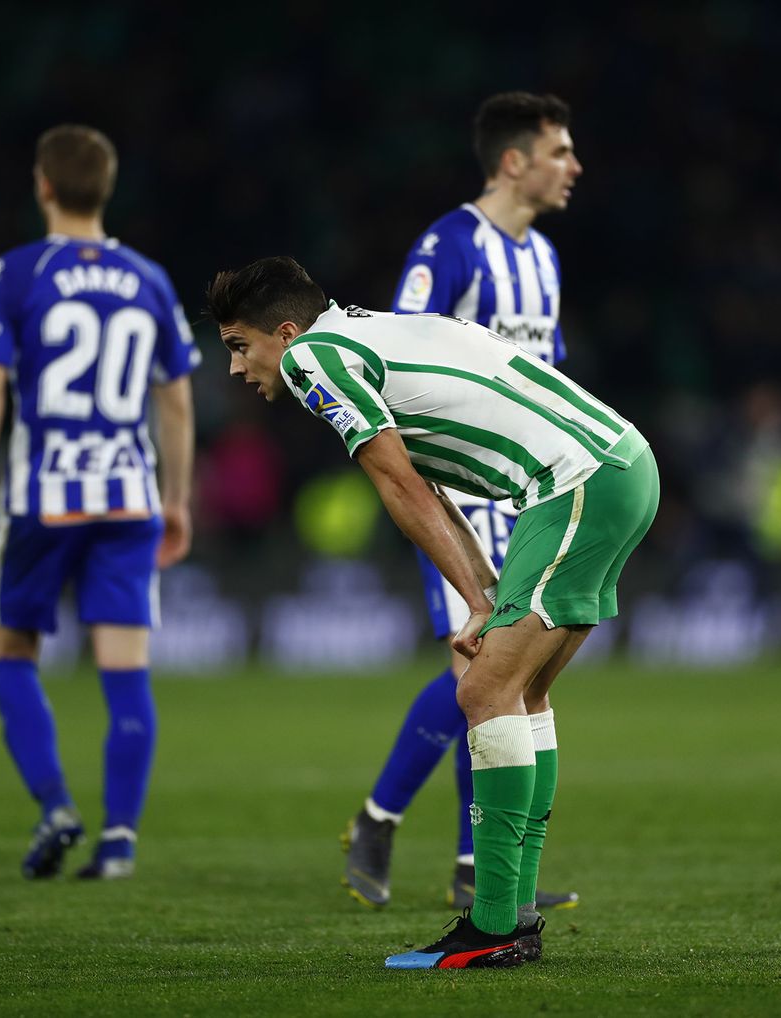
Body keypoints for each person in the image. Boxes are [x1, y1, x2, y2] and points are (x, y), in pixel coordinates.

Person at [206, 256, 658, 969]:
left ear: (284, 333)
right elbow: (427, 480)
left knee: (481, 691)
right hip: (613, 468)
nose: (234, 368)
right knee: (523, 693)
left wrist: (481, 600)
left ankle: (494, 925)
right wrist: (483, 594)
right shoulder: (370, 333)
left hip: (575, 483)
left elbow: (398, 484)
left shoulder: (313, 361)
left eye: (239, 345)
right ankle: (514, 912)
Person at [343, 91, 585, 914]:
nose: (573, 167)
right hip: (456, 492)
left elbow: (545, 377)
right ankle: (377, 820)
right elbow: (398, 354)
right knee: (479, 667)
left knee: (507, 675)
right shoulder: (449, 246)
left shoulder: (544, 260)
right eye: (559, 151)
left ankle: (473, 866)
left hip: (525, 492)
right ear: (513, 161)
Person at [0, 124, 199, 881]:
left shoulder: (16, 273)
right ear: (107, 187)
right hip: (130, 496)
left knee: (11, 651)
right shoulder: (151, 278)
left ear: (44, 185)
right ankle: (119, 841)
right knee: (125, 668)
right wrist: (177, 498)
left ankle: (57, 804)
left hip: (42, 496)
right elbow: (179, 403)